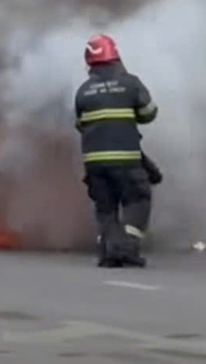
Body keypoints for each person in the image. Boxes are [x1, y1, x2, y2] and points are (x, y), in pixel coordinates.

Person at [74, 34, 159, 268]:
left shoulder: (83, 91)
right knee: (137, 199)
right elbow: (149, 113)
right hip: (126, 159)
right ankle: (127, 248)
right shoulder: (130, 83)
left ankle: (109, 252)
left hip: (94, 163)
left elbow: (80, 124)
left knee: (106, 207)